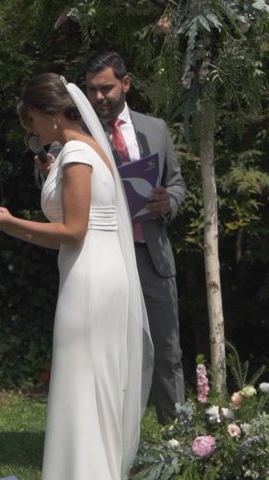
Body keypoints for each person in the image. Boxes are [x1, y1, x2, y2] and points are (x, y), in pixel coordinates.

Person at [0, 73, 153, 479]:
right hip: (101, 271)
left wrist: (8, 223)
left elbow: (73, 233)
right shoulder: (90, 150)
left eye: (34, 121)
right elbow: (79, 229)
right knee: (93, 383)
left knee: (82, 382)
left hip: (90, 278)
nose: (33, 130)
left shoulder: (77, 156)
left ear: (52, 114)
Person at [84, 50, 186, 424]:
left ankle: (178, 442)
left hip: (153, 256)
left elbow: (176, 182)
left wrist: (167, 201)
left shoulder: (155, 127)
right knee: (109, 354)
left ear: (125, 84)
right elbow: (56, 182)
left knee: (167, 351)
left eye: (107, 88)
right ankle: (112, 442)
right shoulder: (82, 132)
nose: (99, 98)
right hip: (106, 257)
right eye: (92, 90)